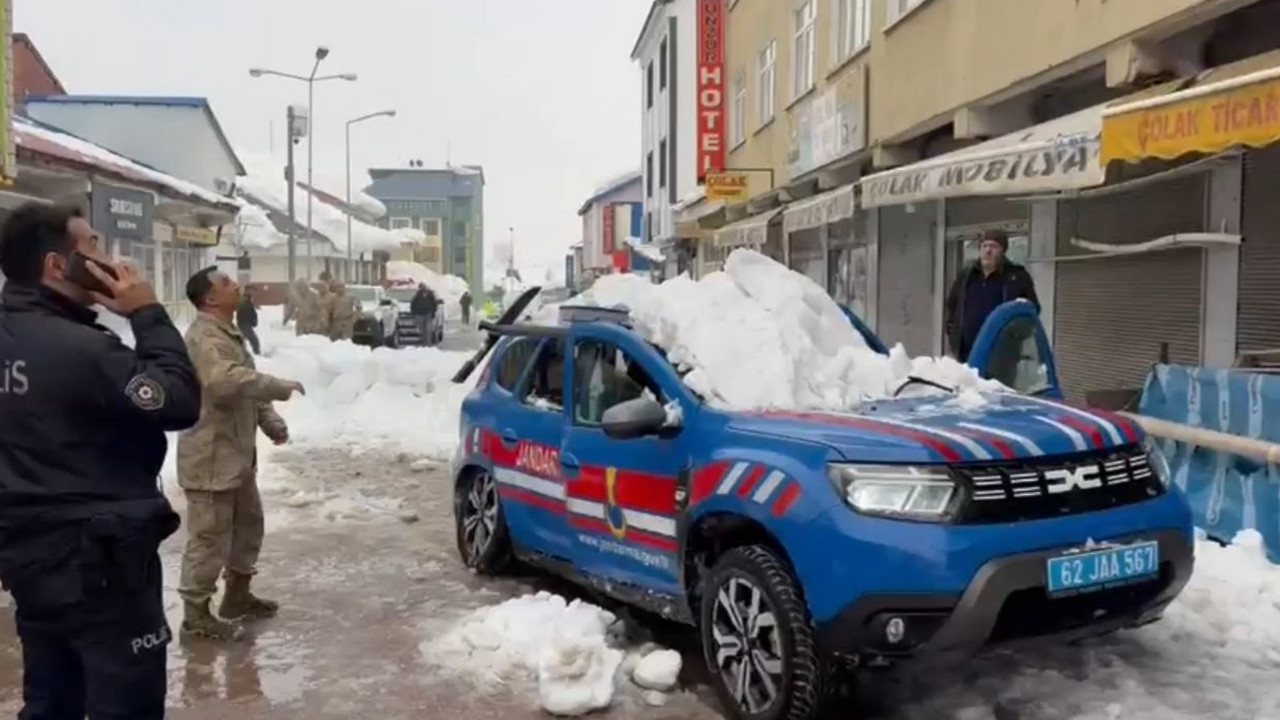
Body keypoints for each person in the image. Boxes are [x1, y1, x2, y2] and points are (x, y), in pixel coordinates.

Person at [0, 203, 202, 718]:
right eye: (91, 247)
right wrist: (147, 314)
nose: (108, 260)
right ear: (55, 265)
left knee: (51, 698)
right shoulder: (84, 350)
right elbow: (177, 401)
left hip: (28, 555)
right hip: (101, 563)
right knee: (125, 702)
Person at [177, 267, 304, 641]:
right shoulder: (203, 338)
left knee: (248, 528)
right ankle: (196, 615)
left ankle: (237, 596)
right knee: (209, 538)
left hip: (235, 456)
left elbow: (244, 384)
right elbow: (224, 381)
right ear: (210, 298)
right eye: (227, 283)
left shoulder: (228, 334)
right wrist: (276, 386)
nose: (237, 285)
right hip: (210, 458)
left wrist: (269, 421)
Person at [944, 228, 1040, 363]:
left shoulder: (1017, 277)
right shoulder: (966, 275)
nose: (988, 251)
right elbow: (951, 306)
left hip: (1001, 355)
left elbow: (1032, 310)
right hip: (966, 352)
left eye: (993, 246)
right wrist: (953, 335)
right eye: (984, 246)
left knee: (995, 385)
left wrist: (1015, 337)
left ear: (1003, 250)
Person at [237, 287, 261, 355]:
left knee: (241, 340)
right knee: (254, 340)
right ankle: (257, 352)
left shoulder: (244, 303)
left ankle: (240, 353)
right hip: (245, 325)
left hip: (243, 325)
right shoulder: (247, 304)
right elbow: (251, 314)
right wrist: (253, 321)